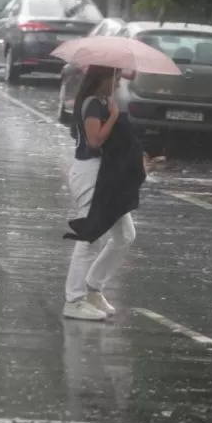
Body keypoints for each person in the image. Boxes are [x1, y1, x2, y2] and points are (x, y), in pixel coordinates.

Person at [63, 65, 145, 321]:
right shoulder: (91, 104)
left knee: (125, 235)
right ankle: (73, 300)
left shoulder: (99, 101)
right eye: (117, 78)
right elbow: (95, 141)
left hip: (104, 175)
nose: (119, 84)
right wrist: (112, 117)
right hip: (89, 174)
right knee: (90, 235)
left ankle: (92, 288)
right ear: (104, 78)